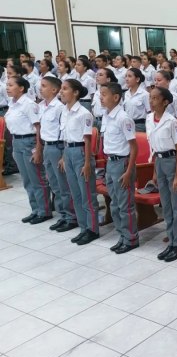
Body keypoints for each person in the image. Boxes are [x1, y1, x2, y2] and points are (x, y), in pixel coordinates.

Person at [5, 75, 52, 224]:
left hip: (29, 142)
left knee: (36, 177)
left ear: (21, 88)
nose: (7, 87)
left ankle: (44, 211)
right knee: (26, 179)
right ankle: (35, 209)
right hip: (16, 142)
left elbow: (38, 127)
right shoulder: (12, 103)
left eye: (11, 85)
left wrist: (38, 148)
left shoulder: (28, 104)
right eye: (7, 85)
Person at [146, 87, 177, 262]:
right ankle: (171, 241)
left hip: (173, 163)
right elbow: (154, 147)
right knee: (166, 206)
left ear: (165, 102)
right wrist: (155, 170)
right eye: (150, 97)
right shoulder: (149, 119)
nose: (151, 101)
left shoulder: (171, 122)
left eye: (155, 98)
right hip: (160, 162)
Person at [60, 79, 100, 245]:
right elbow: (65, 136)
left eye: (65, 89)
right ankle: (83, 227)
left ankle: (92, 229)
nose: (61, 92)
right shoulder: (65, 110)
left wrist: (87, 162)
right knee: (75, 193)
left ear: (75, 92)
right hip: (68, 151)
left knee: (87, 194)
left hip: (81, 152)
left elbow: (88, 140)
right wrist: (63, 155)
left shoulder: (84, 113)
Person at [101, 82, 139, 254]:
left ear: (116, 97)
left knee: (125, 205)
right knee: (115, 204)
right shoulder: (106, 115)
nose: (101, 97)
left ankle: (131, 239)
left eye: (104, 94)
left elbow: (134, 147)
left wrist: (129, 171)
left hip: (122, 163)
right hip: (110, 162)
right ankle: (122, 236)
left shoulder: (123, 118)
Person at [39, 76, 77, 232]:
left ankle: (71, 217)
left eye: (43, 86)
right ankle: (63, 215)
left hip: (58, 147)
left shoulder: (59, 108)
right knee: (54, 184)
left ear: (54, 90)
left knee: (63, 185)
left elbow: (63, 132)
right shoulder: (41, 106)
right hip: (47, 147)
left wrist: (63, 155)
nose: (40, 88)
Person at [123, 68, 150, 132]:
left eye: (129, 76)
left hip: (139, 126)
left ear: (137, 79)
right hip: (127, 125)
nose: (126, 79)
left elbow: (150, 113)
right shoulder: (125, 94)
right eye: (126, 76)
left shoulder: (145, 94)